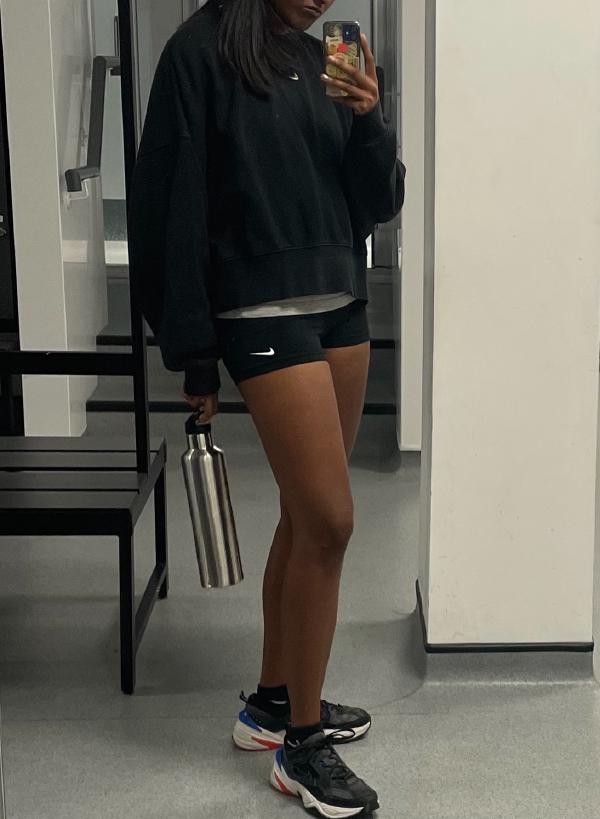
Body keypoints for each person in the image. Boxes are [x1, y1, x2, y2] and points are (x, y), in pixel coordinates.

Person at [127, 0, 405, 815]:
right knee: (331, 523)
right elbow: (167, 210)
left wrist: (369, 116)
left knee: (302, 515)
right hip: (260, 310)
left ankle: (274, 703)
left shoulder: (320, 60)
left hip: (340, 303)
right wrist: (193, 351)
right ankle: (302, 748)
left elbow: (376, 202)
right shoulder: (196, 54)